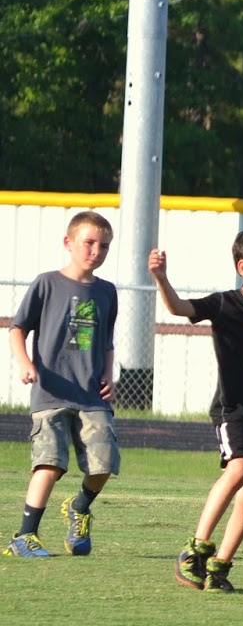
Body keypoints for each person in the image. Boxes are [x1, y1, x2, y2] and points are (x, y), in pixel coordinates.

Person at [151, 227, 243, 592]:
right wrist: (161, 278)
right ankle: (194, 550)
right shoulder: (225, 304)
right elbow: (179, 308)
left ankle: (219, 568)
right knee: (238, 469)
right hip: (233, 408)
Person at [6, 210, 119, 558]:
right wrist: (25, 363)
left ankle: (79, 507)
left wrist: (108, 374)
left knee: (104, 464)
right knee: (50, 462)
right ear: (68, 243)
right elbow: (17, 328)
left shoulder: (107, 291)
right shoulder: (47, 283)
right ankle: (24, 536)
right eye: (89, 243)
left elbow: (107, 342)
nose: (96, 251)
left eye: (104, 246)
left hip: (91, 395)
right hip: (51, 392)